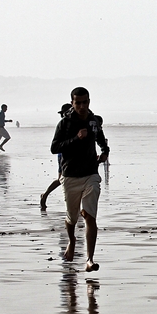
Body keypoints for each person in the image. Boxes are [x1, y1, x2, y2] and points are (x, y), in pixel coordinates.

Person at [51, 87, 110, 272]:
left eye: (85, 102)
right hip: (70, 176)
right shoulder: (65, 124)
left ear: (89, 101)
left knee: (90, 216)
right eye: (78, 103)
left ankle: (90, 259)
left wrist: (105, 151)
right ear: (72, 103)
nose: (82, 106)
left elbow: (101, 138)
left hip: (91, 174)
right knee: (72, 218)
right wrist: (76, 139)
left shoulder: (93, 121)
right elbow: (54, 148)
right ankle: (71, 240)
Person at [40, 103, 72, 209]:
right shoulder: (63, 124)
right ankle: (45, 195)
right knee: (62, 179)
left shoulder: (72, 122)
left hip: (70, 154)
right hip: (63, 154)